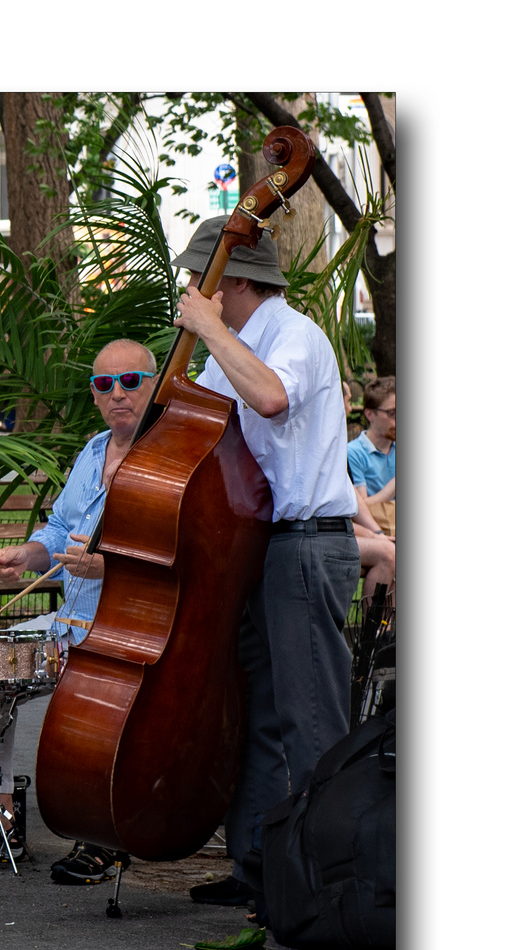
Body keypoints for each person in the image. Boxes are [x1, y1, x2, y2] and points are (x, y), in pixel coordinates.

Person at [170, 216, 360, 907]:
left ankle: (327, 886)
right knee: (253, 716)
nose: (191, 288)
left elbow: (273, 398)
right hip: (254, 550)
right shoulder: (237, 346)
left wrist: (211, 331)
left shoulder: (294, 336)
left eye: (200, 276)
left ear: (235, 279)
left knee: (310, 722)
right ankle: (254, 867)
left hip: (306, 545)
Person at [0, 339, 159, 882]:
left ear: (154, 384)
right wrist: (27, 555)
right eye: (105, 385)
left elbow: (178, 556)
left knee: (94, 723)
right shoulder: (91, 451)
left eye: (130, 381)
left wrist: (108, 568)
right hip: (70, 625)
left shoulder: (166, 458)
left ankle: (103, 834)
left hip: (127, 634)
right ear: (94, 395)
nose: (118, 394)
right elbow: (58, 533)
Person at [348, 375, 396, 537]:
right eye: (392, 413)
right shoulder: (353, 452)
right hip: (378, 532)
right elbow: (362, 506)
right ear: (370, 415)